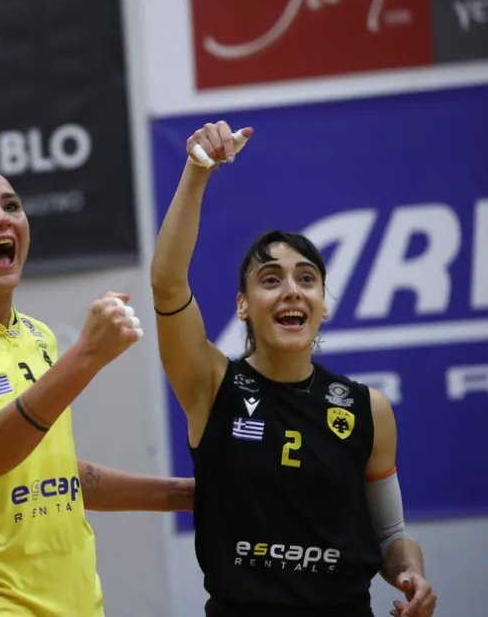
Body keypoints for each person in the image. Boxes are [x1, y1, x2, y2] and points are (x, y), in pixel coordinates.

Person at [150, 121, 437, 617]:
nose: (291, 291)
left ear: (323, 304)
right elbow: (168, 283)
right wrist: (197, 171)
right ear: (242, 305)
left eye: (307, 279)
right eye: (270, 279)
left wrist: (411, 573)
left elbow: (391, 535)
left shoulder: (368, 409)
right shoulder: (211, 386)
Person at [0, 165, 195, 616]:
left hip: (77, 603)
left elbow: (50, 473)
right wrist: (86, 356)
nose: (1, 217)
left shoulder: (38, 336)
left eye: (11, 206)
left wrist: (184, 495)